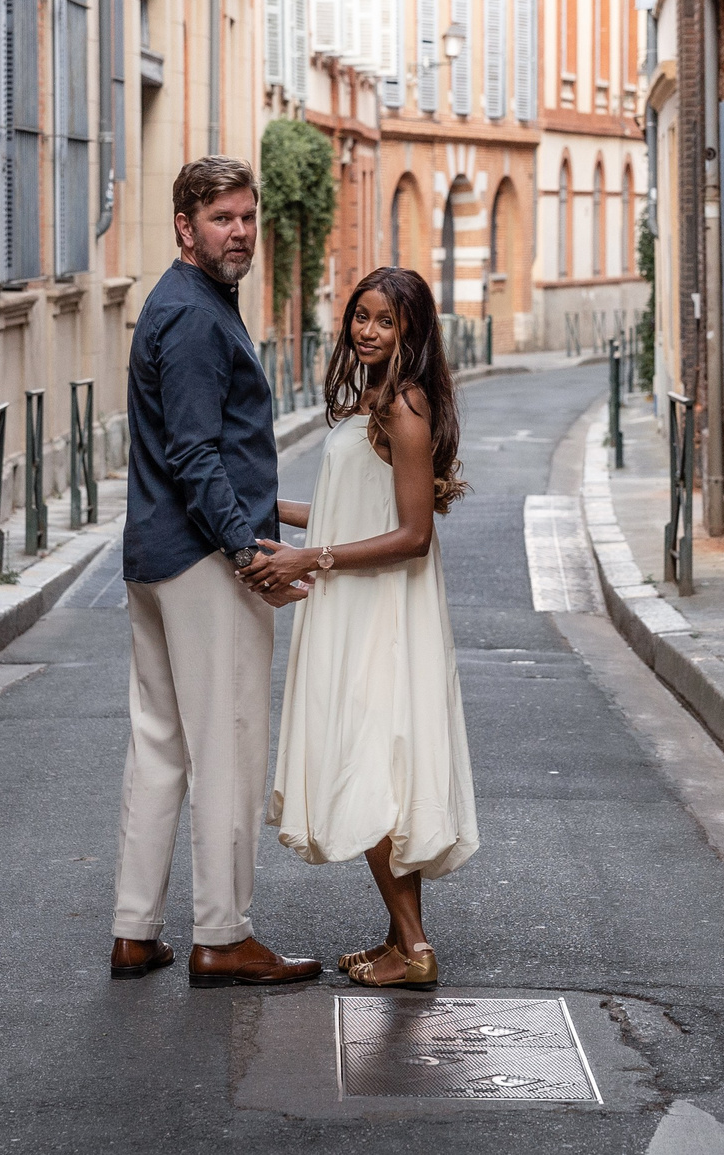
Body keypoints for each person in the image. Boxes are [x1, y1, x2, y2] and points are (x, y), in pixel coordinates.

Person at [108, 157, 322, 988]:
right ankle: (223, 934)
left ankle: (135, 928)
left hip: (158, 554)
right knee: (228, 745)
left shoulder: (179, 302)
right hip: (203, 560)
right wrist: (248, 551)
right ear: (184, 226)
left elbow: (202, 454)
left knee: (159, 744)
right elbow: (197, 456)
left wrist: (291, 517)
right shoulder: (195, 317)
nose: (239, 232)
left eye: (246, 217)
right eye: (221, 218)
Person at [242, 266, 477, 991]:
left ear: (412, 330)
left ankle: (415, 947)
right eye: (361, 317)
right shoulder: (375, 400)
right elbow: (354, 505)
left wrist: (315, 556)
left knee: (375, 769)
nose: (368, 331)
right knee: (382, 764)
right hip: (356, 601)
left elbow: (412, 535)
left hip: (381, 613)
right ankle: (396, 939)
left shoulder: (404, 409)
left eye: (385, 320)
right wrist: (266, 506)